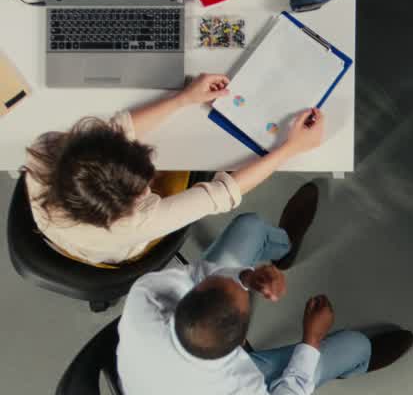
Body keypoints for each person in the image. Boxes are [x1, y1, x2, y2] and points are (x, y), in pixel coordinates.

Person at [117, 182, 413, 395]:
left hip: (151, 380)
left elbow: (196, 272)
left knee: (250, 226)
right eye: (244, 292)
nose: (236, 281)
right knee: (352, 345)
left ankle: (284, 246)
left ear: (187, 298)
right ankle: (360, 360)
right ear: (240, 342)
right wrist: (311, 340)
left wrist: (247, 278)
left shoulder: (147, 296)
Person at [23, 73, 323, 266]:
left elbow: (119, 129)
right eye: (144, 189)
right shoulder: (136, 222)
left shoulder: (45, 152)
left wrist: (184, 98)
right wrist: (291, 148)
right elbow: (223, 193)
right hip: (107, 251)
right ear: (127, 205)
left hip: (61, 230)